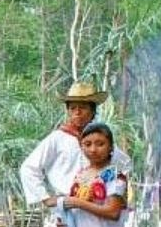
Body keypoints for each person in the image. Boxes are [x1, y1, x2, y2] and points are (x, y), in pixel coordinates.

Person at [20, 81, 132, 211]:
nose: (77, 112)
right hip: (67, 206)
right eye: (73, 108)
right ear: (68, 111)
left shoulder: (100, 137)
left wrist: (113, 192)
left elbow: (123, 163)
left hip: (97, 207)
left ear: (92, 111)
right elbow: (28, 168)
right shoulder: (57, 138)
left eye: (82, 108)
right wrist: (46, 198)